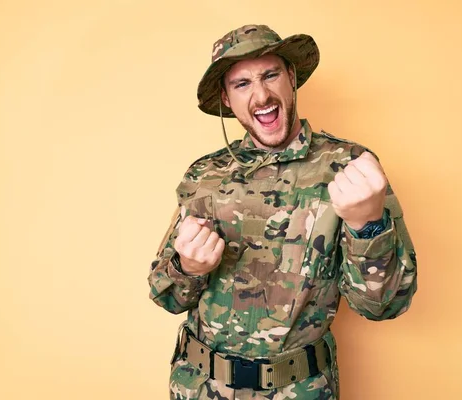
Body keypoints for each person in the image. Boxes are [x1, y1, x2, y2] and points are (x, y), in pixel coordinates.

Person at [148, 24, 418, 400]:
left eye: (270, 75)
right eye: (242, 84)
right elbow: (166, 296)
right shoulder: (203, 175)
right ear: (226, 99)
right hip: (199, 388)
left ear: (291, 78)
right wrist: (187, 268)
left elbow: (384, 305)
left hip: (300, 390)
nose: (261, 96)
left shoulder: (351, 168)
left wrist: (368, 226)